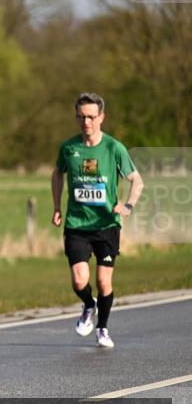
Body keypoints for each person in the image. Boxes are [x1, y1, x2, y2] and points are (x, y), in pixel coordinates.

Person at [52, 92, 143, 348]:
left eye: (91, 117)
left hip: (106, 226)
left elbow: (137, 180)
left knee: (104, 281)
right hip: (77, 225)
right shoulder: (69, 148)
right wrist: (57, 205)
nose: (86, 122)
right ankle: (88, 304)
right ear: (76, 118)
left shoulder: (114, 148)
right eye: (81, 117)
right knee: (80, 280)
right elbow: (57, 174)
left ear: (101, 117)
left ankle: (102, 327)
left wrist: (127, 205)